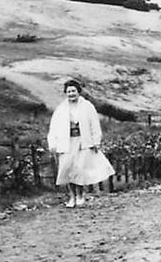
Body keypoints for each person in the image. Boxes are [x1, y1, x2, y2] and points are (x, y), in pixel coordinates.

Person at [47, 79, 114, 208]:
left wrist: (96, 141)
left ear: (78, 92)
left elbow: (94, 124)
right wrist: (53, 143)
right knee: (67, 169)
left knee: (79, 169)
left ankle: (80, 195)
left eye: (73, 91)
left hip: (82, 141)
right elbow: (54, 127)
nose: (71, 94)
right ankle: (71, 196)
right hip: (66, 142)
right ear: (65, 93)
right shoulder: (61, 109)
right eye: (68, 92)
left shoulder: (87, 106)